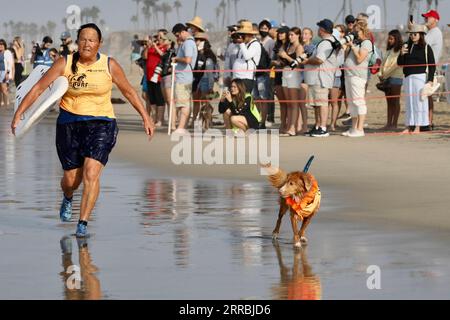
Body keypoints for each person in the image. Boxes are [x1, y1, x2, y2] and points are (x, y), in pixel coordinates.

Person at [11, 23, 155, 237]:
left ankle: (83, 223)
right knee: (71, 181)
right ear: (77, 42)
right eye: (83, 39)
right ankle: (68, 197)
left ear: (99, 43)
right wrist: (19, 113)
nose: (87, 44)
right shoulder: (64, 63)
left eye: (92, 40)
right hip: (69, 124)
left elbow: (129, 92)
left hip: (102, 123)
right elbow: (39, 88)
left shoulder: (109, 64)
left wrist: (146, 117)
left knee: (91, 172)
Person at [301, 19, 339, 137]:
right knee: (316, 103)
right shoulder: (325, 42)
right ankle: (317, 126)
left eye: (319, 28)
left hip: (321, 77)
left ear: (322, 30)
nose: (318, 30)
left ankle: (323, 127)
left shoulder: (326, 43)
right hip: (315, 77)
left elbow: (319, 60)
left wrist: (306, 61)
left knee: (322, 103)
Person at [397, 24, 435, 133]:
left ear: (421, 35)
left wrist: (430, 80)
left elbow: (432, 65)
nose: (412, 36)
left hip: (420, 77)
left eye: (415, 34)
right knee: (409, 102)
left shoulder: (426, 47)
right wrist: (401, 54)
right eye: (411, 34)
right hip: (408, 77)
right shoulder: (406, 46)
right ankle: (409, 126)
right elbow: (400, 63)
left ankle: (418, 126)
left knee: (419, 101)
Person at [341, 20, 373, 137]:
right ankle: (353, 128)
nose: (355, 32)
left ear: (363, 30)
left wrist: (353, 47)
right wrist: (348, 47)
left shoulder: (366, 43)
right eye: (354, 30)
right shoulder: (356, 42)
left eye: (357, 30)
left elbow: (360, 59)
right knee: (351, 102)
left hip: (358, 76)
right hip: (349, 75)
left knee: (358, 101)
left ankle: (360, 129)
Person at [171, 23, 198, 134]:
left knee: (183, 104)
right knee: (182, 103)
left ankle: (181, 128)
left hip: (184, 78)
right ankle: (182, 127)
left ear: (183, 32)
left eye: (177, 35)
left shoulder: (188, 43)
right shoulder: (186, 43)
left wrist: (176, 59)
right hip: (183, 76)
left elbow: (188, 60)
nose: (177, 38)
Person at [278, 27, 305, 136]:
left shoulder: (299, 47)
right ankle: (289, 126)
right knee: (288, 102)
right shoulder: (288, 46)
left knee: (294, 103)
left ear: (298, 35)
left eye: (292, 35)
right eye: (289, 35)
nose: (290, 37)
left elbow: (298, 63)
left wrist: (286, 56)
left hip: (294, 74)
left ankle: (293, 127)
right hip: (285, 73)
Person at [421, 10, 443, 129]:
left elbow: (422, 44)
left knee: (426, 94)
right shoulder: (431, 32)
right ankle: (428, 122)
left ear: (436, 20)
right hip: (427, 67)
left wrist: (419, 29)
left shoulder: (434, 32)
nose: (426, 19)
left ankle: (428, 122)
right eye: (426, 17)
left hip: (429, 68)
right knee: (426, 95)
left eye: (428, 17)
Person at [379, 29, 403, 130]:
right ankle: (388, 123)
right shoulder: (388, 51)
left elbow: (396, 65)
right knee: (389, 102)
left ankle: (394, 124)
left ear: (396, 39)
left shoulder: (400, 51)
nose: (389, 40)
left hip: (396, 78)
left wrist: (385, 74)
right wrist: (380, 74)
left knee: (395, 101)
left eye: (391, 38)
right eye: (389, 38)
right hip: (386, 79)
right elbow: (383, 64)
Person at [255, 19, 275, 128]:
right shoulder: (256, 41)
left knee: (264, 98)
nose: (263, 30)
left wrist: (268, 71)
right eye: (261, 28)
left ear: (269, 30)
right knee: (256, 99)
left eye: (265, 28)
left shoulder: (271, 42)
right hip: (255, 73)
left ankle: (263, 121)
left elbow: (272, 58)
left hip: (265, 74)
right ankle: (257, 119)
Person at [232, 21, 261, 94]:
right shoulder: (244, 45)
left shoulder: (255, 44)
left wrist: (241, 43)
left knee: (244, 101)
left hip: (246, 78)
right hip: (237, 77)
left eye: (243, 34)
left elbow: (247, 56)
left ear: (249, 35)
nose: (241, 36)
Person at [146, 33, 168, 127]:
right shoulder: (151, 47)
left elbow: (162, 55)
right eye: (156, 38)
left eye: (160, 38)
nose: (157, 39)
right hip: (149, 76)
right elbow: (145, 57)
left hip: (158, 77)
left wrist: (155, 46)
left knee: (160, 99)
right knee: (152, 99)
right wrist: (148, 46)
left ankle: (160, 120)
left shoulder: (165, 47)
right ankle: (154, 119)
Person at [271, 26, 290, 133]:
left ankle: (289, 124)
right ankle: (283, 124)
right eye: (279, 33)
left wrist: (280, 62)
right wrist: (275, 62)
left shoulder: (289, 45)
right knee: (282, 102)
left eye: (282, 33)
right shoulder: (277, 45)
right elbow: (273, 59)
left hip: (287, 74)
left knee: (289, 103)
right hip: (277, 74)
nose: (280, 34)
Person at [329, 24, 346, 131]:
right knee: (327, 101)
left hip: (338, 74)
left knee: (335, 101)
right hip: (329, 75)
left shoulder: (342, 46)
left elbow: (340, 61)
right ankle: (326, 123)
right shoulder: (328, 44)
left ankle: (333, 123)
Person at [0, 39, 14, 107]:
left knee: (4, 88)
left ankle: (7, 102)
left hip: (4, 72)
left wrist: (7, 73)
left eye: (2, 44)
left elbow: (10, 63)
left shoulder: (7, 52)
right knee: (0, 89)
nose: (0, 46)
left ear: (4, 45)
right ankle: (2, 102)